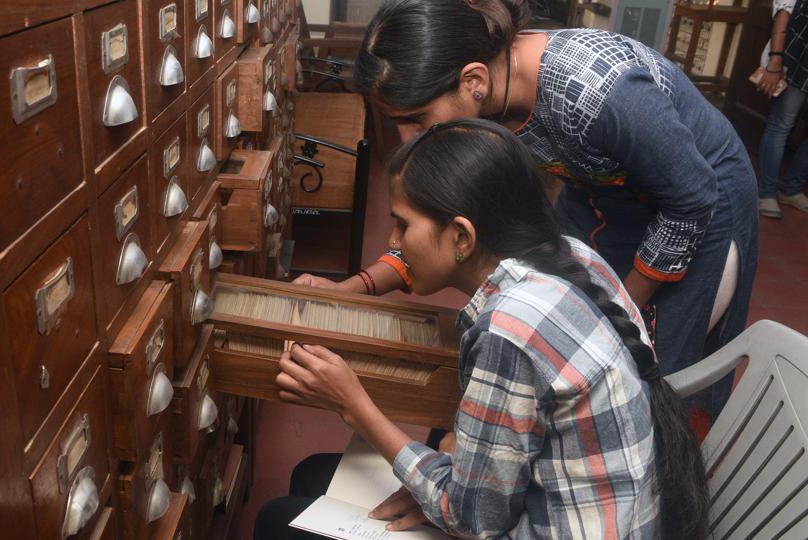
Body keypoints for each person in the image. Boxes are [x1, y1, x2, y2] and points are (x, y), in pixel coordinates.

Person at [295, 0, 759, 416]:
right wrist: (357, 288)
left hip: (699, 201)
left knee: (654, 371)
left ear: (473, 80)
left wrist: (614, 314)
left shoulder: (598, 91)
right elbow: (438, 223)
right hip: (601, 190)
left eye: (415, 119)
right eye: (396, 123)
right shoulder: (478, 107)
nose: (407, 139)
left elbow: (691, 198)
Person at [256, 120, 709, 539]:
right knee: (314, 476)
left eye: (402, 224)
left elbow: (474, 518)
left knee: (278, 519)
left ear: (462, 238)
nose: (393, 242)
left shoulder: (509, 327)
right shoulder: (571, 255)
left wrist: (352, 405)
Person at [756, 0, 808, 218]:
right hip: (795, 60)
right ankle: (766, 193)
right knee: (781, 125)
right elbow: (783, 12)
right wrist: (775, 60)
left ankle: (792, 189)